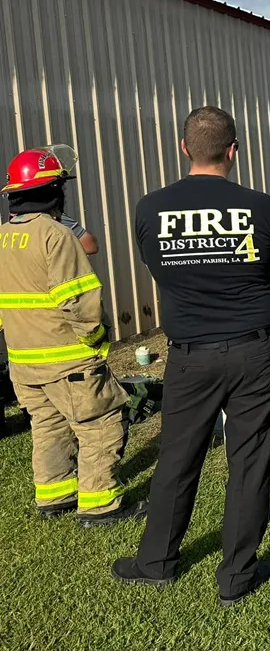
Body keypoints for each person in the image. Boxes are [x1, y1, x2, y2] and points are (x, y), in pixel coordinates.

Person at [112, 106, 270, 608]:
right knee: (250, 458)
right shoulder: (261, 205)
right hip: (256, 346)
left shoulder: (151, 207)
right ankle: (236, 575)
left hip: (190, 354)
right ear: (233, 151)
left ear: (184, 148)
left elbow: (161, 270)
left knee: (177, 455)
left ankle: (156, 563)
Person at [0, 148, 143, 525]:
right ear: (54, 190)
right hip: (67, 359)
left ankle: (55, 495)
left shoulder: (3, 238)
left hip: (22, 361)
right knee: (100, 425)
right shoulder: (56, 235)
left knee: (47, 426)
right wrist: (97, 337)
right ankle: (99, 506)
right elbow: (78, 301)